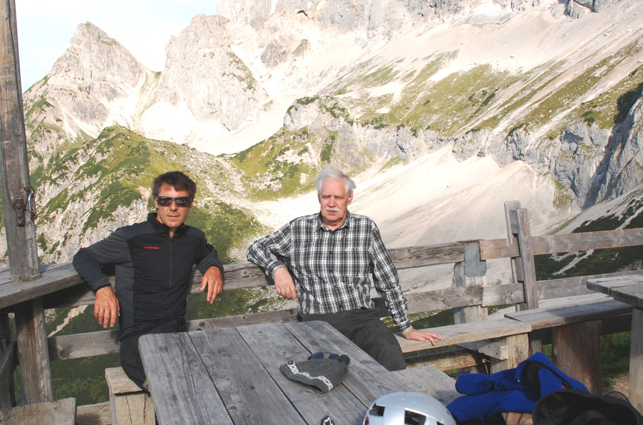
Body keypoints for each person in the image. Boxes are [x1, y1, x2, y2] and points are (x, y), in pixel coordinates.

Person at [247, 166, 440, 370]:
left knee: (393, 364)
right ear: (318, 197)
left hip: (363, 320)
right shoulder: (298, 228)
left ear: (349, 198)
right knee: (326, 375)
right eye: (326, 197)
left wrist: (406, 327)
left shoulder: (365, 228)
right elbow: (256, 248)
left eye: (338, 197)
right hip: (317, 322)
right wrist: (277, 268)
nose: (331, 204)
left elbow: (387, 280)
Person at [73, 170, 223, 389]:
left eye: (181, 201)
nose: (173, 207)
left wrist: (213, 266)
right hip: (139, 345)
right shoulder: (131, 237)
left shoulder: (194, 238)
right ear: (156, 202)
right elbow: (84, 256)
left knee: (205, 388)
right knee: (174, 396)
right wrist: (102, 288)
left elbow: (207, 252)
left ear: (190, 203)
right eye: (166, 200)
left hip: (175, 337)